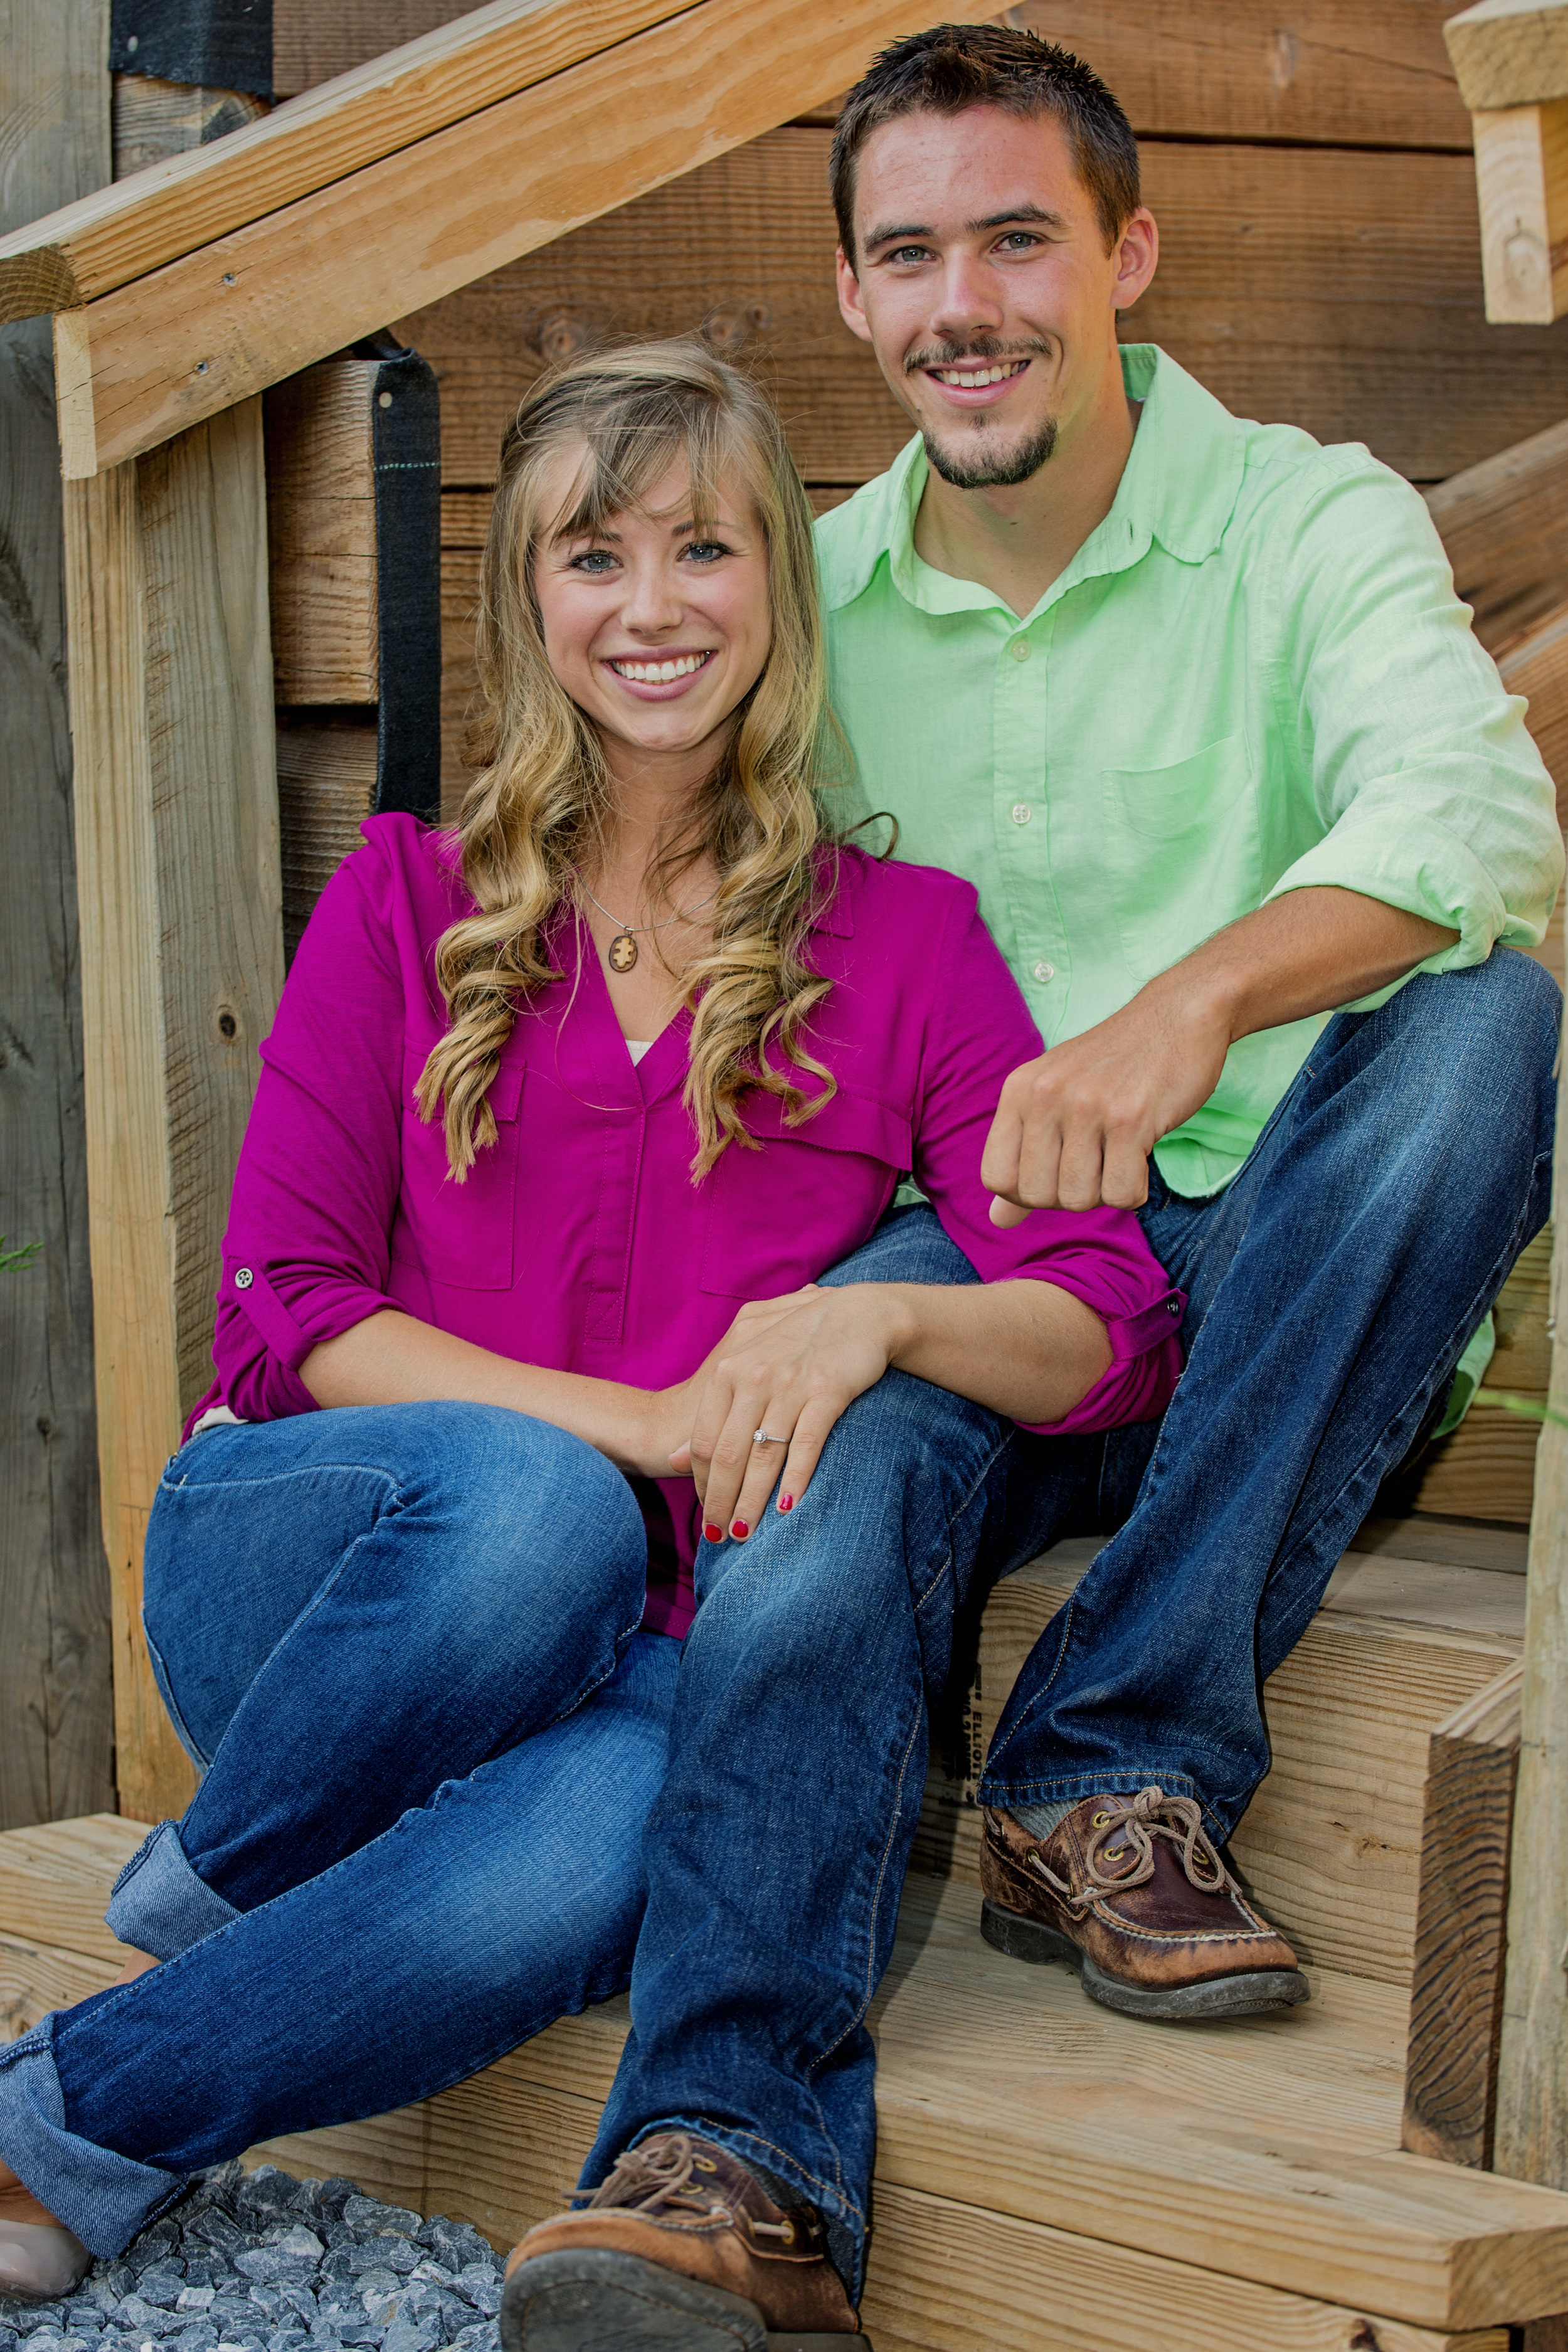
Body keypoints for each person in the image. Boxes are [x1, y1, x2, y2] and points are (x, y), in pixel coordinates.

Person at [0, 344, 1187, 2343]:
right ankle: (219, 1885)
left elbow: (1105, 1330)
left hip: (650, 1653)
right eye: (592, 554)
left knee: (632, 1832)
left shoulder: (902, 946)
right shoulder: (406, 903)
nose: (651, 608)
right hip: (331, 1585)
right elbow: (291, 1315)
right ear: (524, 600)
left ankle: (61, 2125)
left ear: (773, 595)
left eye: (704, 548)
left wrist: (878, 1306)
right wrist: (634, 1424)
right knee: (539, 1505)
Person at [813, 21, 1563, 2017]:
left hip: (1300, 1271)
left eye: (1015, 243)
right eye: (907, 256)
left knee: (1485, 1020)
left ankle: (1106, 1761)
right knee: (850, 1444)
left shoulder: (1308, 519)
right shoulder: (807, 608)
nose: (960, 310)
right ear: (852, 292)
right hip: (988, 1278)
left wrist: (1191, 1003)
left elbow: (1473, 809)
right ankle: (773, 1911)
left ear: (1126, 254)